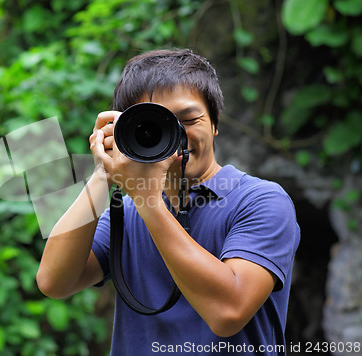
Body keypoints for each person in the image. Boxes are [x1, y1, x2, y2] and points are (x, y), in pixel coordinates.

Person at [37, 49, 300, 355]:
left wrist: (147, 200)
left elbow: (228, 313)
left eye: (188, 120)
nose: (175, 137)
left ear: (214, 124)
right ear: (125, 134)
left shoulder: (261, 201)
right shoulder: (129, 212)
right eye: (154, 127)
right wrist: (102, 175)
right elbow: (54, 281)